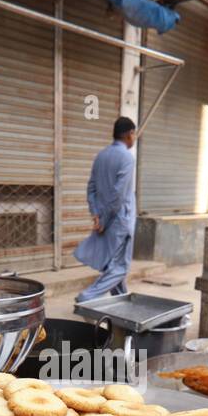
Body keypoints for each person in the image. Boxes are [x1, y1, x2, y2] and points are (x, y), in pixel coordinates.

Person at [73, 116, 138, 303]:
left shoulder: (101, 155)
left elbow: (91, 188)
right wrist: (104, 220)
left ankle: (124, 302)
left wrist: (96, 215)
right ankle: (87, 297)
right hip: (119, 222)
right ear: (129, 135)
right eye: (134, 134)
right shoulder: (127, 158)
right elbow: (118, 194)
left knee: (113, 265)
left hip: (105, 220)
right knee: (120, 268)